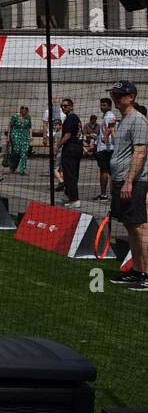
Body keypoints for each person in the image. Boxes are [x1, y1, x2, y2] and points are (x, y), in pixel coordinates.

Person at [106, 81, 148, 291]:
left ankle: (146, 274)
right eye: (114, 94)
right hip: (122, 179)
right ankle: (137, 271)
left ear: (131, 97)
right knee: (130, 225)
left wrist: (130, 180)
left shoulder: (138, 120)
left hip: (134, 181)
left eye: (119, 94)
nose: (115, 98)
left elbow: (140, 152)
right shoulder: (124, 120)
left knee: (140, 226)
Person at [57, 97, 83, 207]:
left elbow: (67, 136)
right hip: (78, 148)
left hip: (71, 148)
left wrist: (57, 146)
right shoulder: (76, 118)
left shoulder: (70, 118)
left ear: (71, 106)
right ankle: (69, 196)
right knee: (73, 173)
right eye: (62, 106)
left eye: (65, 105)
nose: (63, 107)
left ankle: (74, 199)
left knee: (69, 174)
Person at [94, 96, 118, 201]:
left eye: (104, 105)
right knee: (108, 172)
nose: (102, 107)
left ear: (110, 106)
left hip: (106, 149)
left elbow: (110, 130)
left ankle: (105, 194)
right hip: (104, 148)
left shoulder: (109, 116)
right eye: (101, 105)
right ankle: (110, 194)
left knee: (105, 171)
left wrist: (105, 140)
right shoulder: (106, 116)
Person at [7, 105, 33, 176]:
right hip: (15, 135)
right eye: (22, 108)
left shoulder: (28, 117)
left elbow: (30, 127)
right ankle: (12, 168)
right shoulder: (15, 116)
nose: (24, 109)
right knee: (16, 152)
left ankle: (22, 170)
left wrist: (30, 136)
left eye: (26, 108)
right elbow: (10, 126)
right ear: (20, 109)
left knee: (24, 153)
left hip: (25, 136)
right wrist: (8, 137)